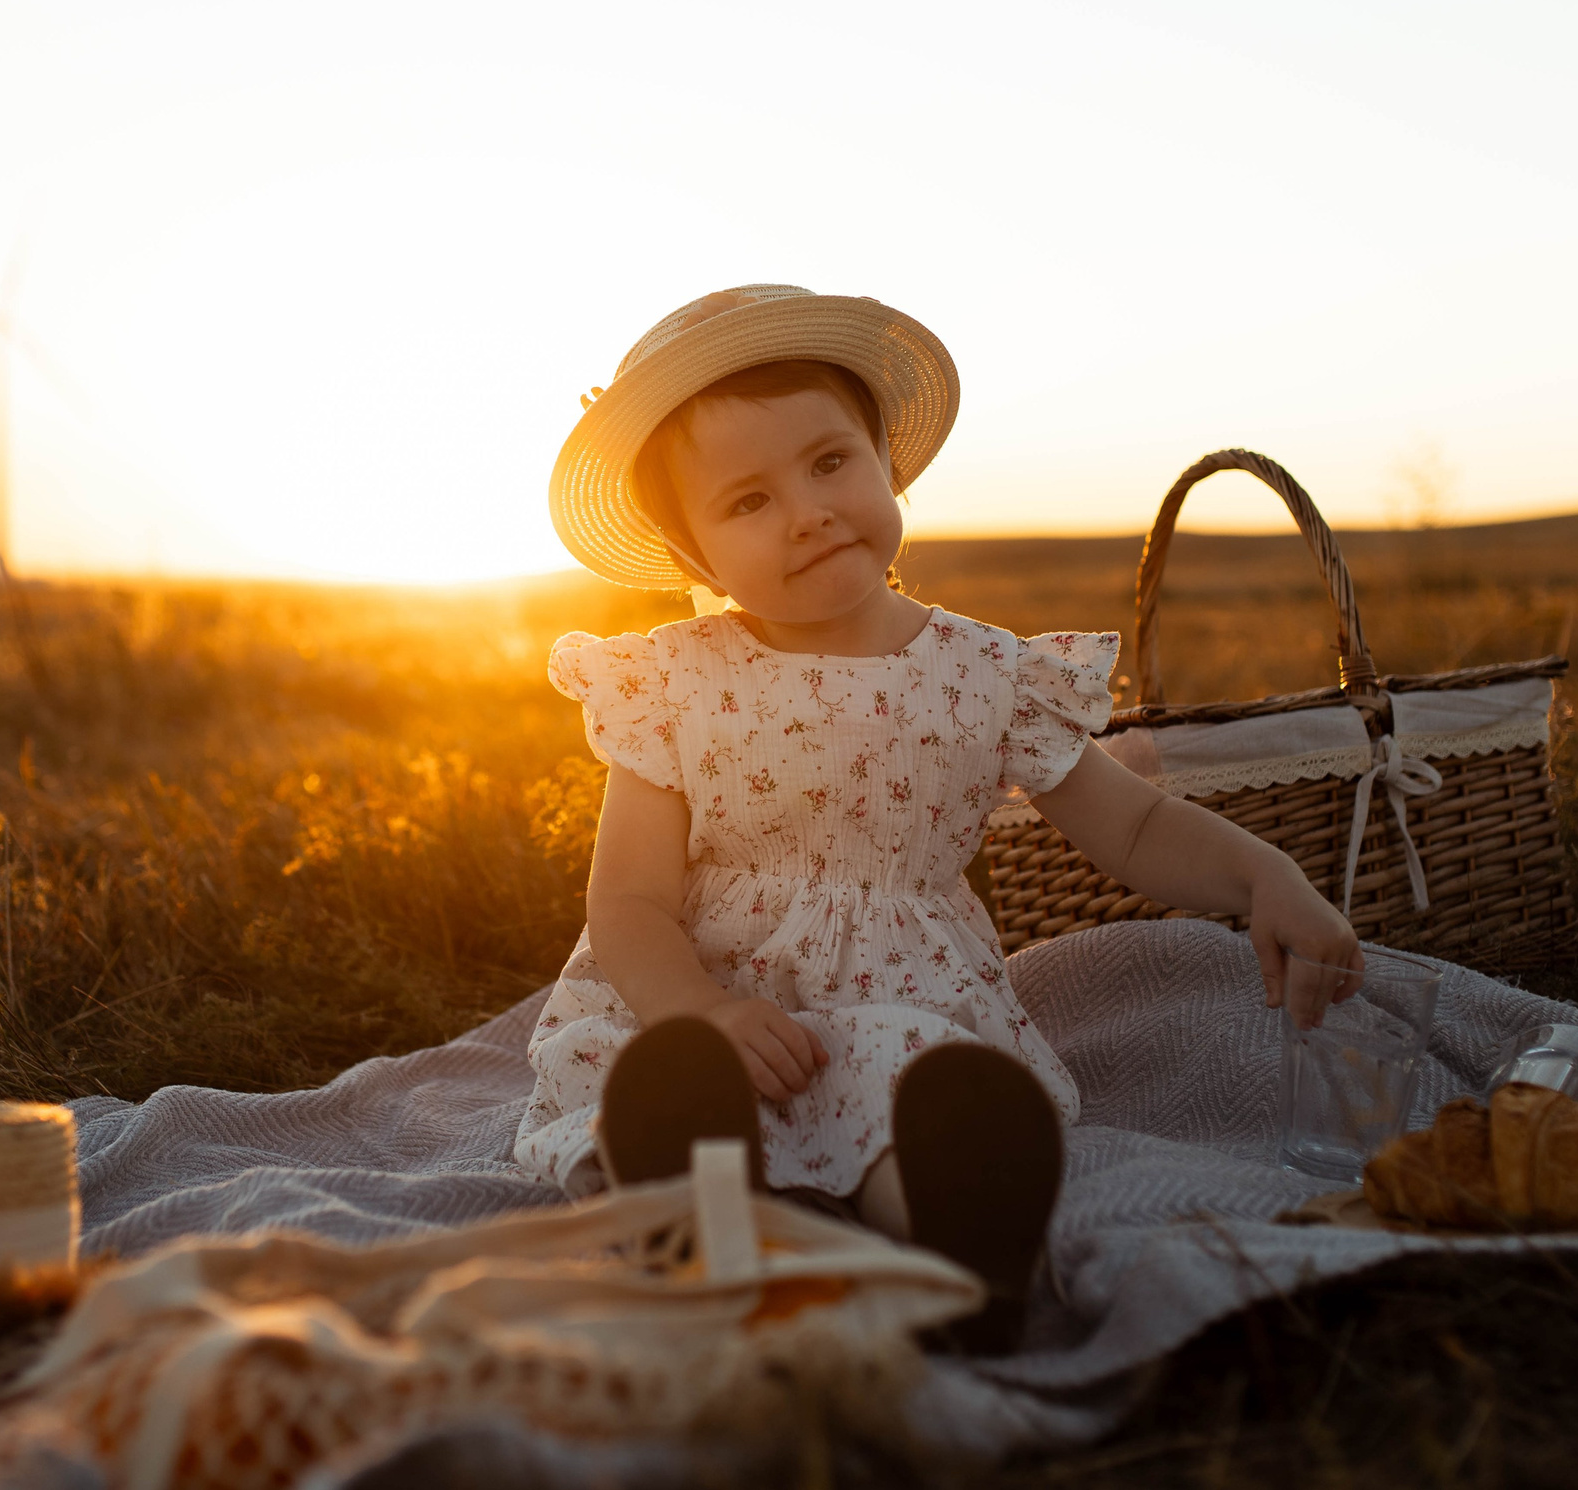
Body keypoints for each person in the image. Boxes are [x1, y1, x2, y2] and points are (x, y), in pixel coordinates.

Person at [520, 285, 1363, 1347]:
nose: (809, 510)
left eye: (830, 463)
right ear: (692, 555)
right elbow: (630, 899)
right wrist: (699, 1010)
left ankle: (961, 1259)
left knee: (907, 1093)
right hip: (705, 1003)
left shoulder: (986, 672)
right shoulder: (671, 682)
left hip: (895, 994)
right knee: (644, 1084)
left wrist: (1261, 877)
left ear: (886, 462)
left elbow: (1134, 827)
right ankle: (702, 1224)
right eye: (748, 501)